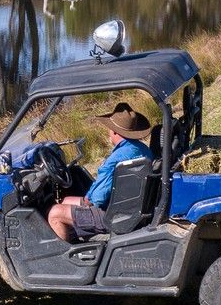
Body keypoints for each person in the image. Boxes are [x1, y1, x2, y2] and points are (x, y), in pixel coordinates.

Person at [48, 102, 154, 241]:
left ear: (115, 131)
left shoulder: (115, 160)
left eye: (109, 128)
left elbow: (98, 199)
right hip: (132, 207)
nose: (108, 131)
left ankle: (63, 257)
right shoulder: (143, 149)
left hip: (112, 215)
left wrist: (85, 201)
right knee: (67, 200)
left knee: (55, 213)